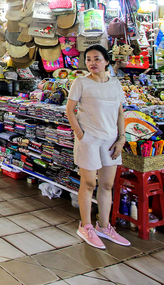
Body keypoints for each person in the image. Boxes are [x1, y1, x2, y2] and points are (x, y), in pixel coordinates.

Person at [66, 45, 130, 249]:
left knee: (107, 185)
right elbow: (70, 110)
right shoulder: (81, 82)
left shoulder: (115, 84)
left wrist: (122, 138)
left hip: (111, 139)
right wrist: (80, 134)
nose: (92, 63)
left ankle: (104, 226)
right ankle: (86, 226)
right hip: (89, 139)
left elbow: (120, 112)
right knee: (88, 184)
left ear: (107, 61)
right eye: (89, 60)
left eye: (97, 59)